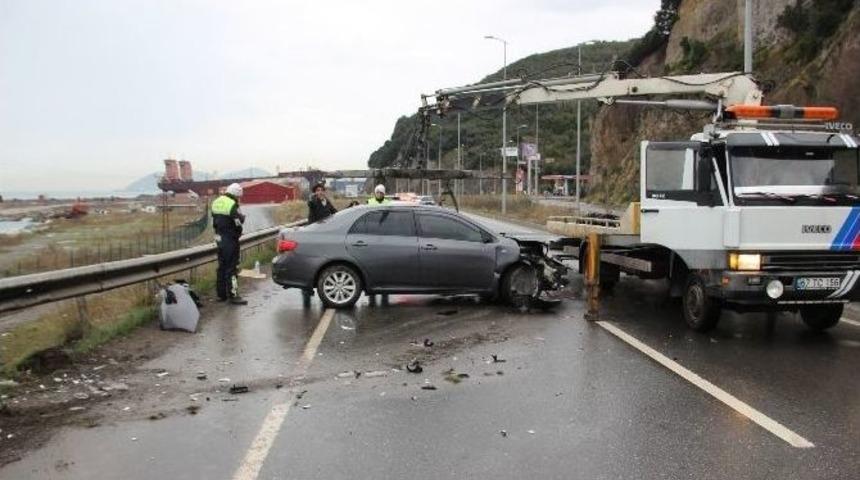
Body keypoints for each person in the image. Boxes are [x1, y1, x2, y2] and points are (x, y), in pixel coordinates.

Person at [211, 183, 247, 305]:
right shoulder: (232, 204)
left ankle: (221, 295)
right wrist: (241, 220)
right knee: (232, 267)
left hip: (219, 239)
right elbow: (238, 221)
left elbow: (215, 220)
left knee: (222, 267)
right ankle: (234, 295)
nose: (239, 199)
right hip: (230, 239)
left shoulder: (216, 202)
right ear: (236, 194)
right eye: (239, 197)